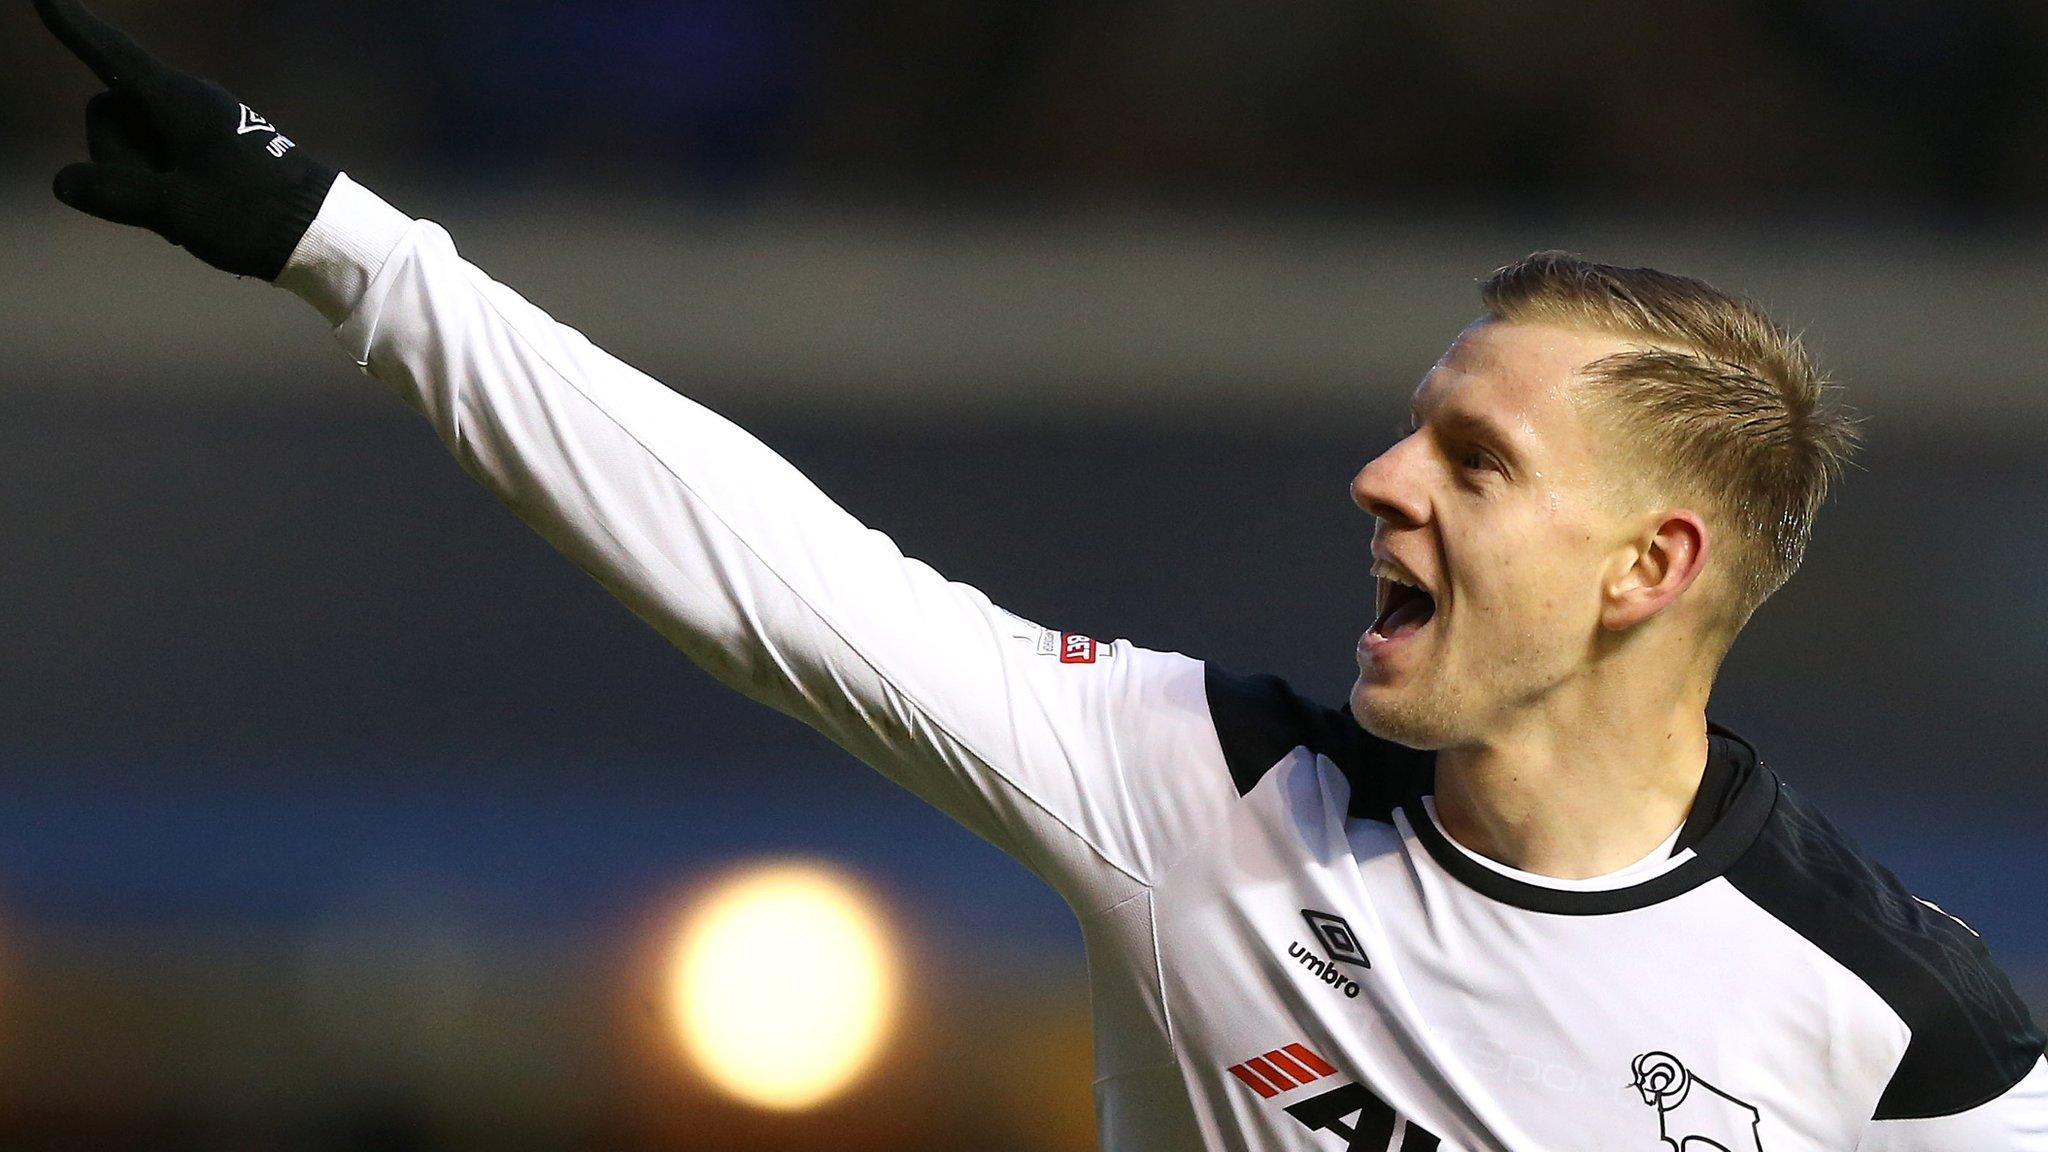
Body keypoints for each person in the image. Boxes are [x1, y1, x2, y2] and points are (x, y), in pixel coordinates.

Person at [32, 2, 2046, 1149]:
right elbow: (768, 569)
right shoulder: (1196, 796)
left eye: (1471, 457)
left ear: (1647, 567)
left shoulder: (1906, 1027)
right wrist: (352, 252)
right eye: (1406, 422)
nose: (1378, 477)